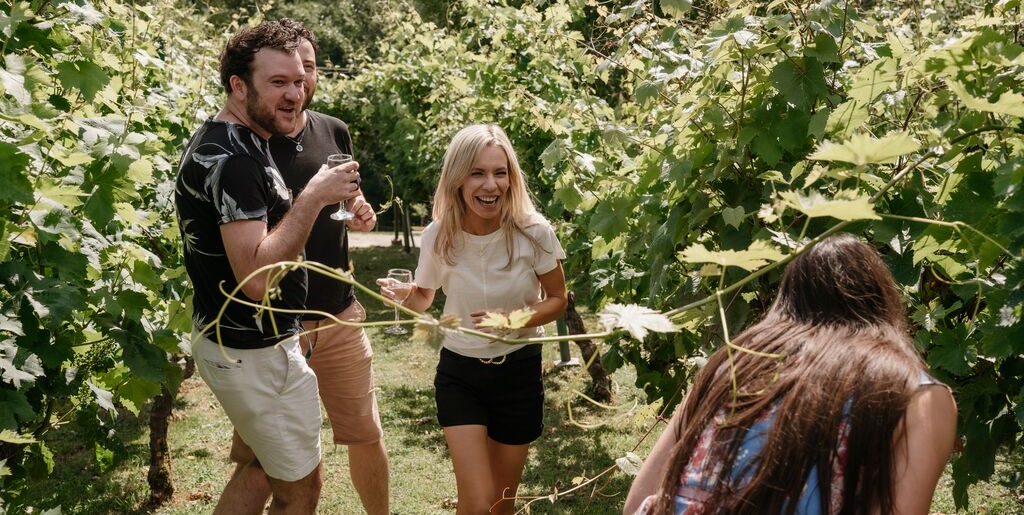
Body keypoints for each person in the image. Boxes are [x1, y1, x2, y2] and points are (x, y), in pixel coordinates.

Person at [623, 234, 958, 515]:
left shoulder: (732, 365)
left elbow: (638, 503)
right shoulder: (914, 395)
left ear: (788, 300)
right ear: (883, 302)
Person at [175, 21, 362, 514]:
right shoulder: (234, 158)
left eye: (299, 81)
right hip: (256, 351)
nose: (295, 95)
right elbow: (257, 281)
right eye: (278, 82)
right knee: (299, 491)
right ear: (238, 85)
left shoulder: (236, 138)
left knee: (258, 467)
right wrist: (315, 196)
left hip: (251, 342)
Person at [379, 123, 568, 515]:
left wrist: (515, 319)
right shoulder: (439, 234)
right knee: (477, 500)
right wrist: (404, 298)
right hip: (461, 375)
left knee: (500, 504)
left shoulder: (534, 232)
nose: (491, 184)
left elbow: (558, 299)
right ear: (458, 178)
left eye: (500, 173)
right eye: (478, 172)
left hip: (519, 374)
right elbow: (424, 300)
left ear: (511, 178)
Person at [267, 19, 390, 515]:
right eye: (291, 73)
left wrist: (363, 213)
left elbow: (351, 199)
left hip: (340, 314)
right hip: (273, 325)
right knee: (266, 457)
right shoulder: (250, 140)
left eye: (310, 70)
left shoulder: (334, 130)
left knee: (364, 434)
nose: (302, 81)